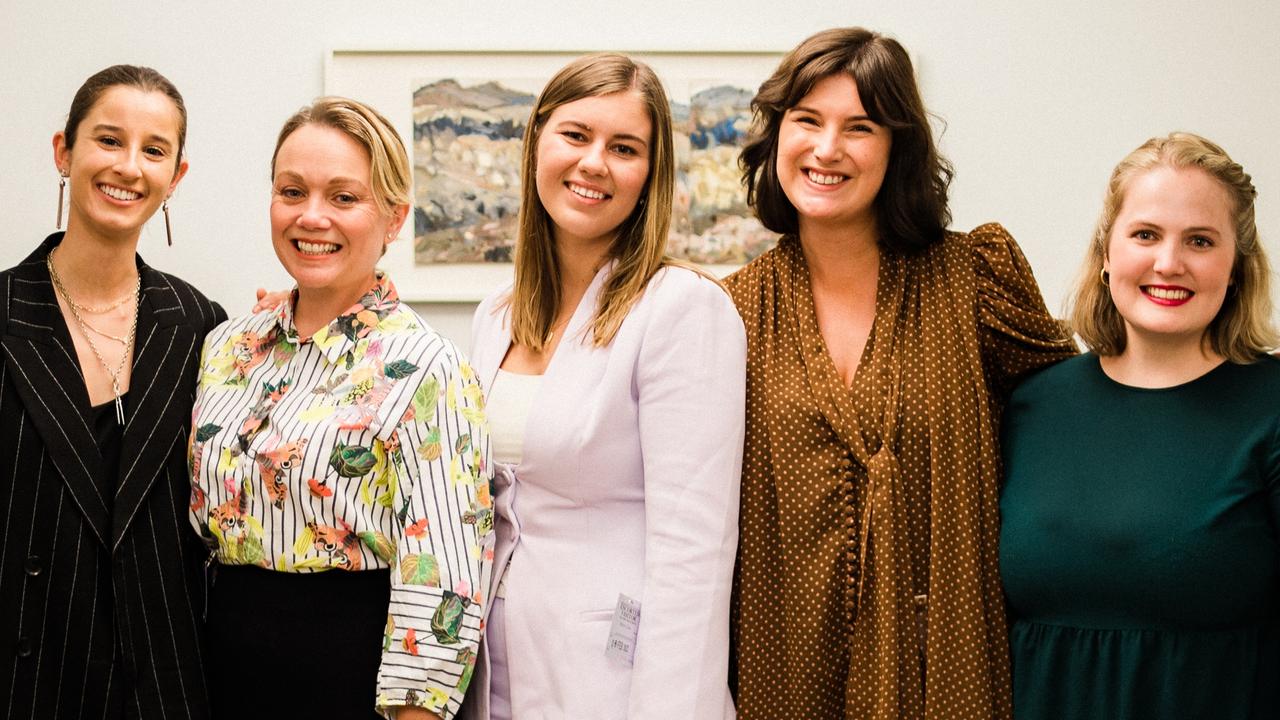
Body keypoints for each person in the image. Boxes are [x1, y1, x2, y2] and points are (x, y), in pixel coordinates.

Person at [726, 28, 1077, 719]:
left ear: (897, 147)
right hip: (786, 670)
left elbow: (1073, 432)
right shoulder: (729, 314)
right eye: (807, 121)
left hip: (949, 666)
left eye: (859, 127)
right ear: (776, 137)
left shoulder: (975, 280)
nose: (827, 149)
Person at [188, 97, 491, 720]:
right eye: (292, 191)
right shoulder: (225, 347)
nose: (312, 216)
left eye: (344, 197)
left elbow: (444, 580)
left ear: (394, 218)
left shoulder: (428, 367)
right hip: (217, 666)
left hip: (350, 671)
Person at [466, 53, 746, 719]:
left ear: (650, 175)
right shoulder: (495, 315)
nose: (595, 163)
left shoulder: (681, 309)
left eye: (624, 148)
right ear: (537, 140)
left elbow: (694, 555)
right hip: (492, 668)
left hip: (616, 680)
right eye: (576, 135)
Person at [1000, 132, 1280, 719]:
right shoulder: (1028, 404)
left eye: (1200, 241)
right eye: (1145, 234)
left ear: (1235, 268)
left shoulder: (1270, 406)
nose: (1168, 262)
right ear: (1106, 254)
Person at [0, 65, 224, 719]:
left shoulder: (202, 325)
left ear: (175, 177)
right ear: (63, 152)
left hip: (162, 686)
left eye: (154, 150)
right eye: (108, 140)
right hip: (25, 683)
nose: (129, 166)